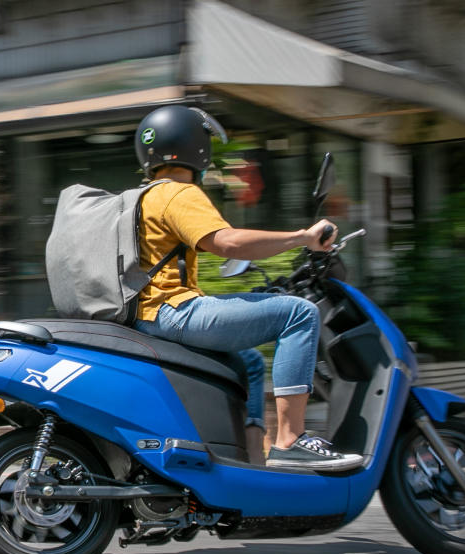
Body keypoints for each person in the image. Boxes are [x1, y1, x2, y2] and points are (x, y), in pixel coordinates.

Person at [132, 105, 360, 467]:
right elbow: (229, 243)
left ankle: (254, 463)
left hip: (148, 316)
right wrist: (303, 237)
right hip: (173, 313)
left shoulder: (143, 196)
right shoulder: (178, 192)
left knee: (251, 363)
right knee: (299, 313)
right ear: (196, 147)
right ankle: (290, 440)